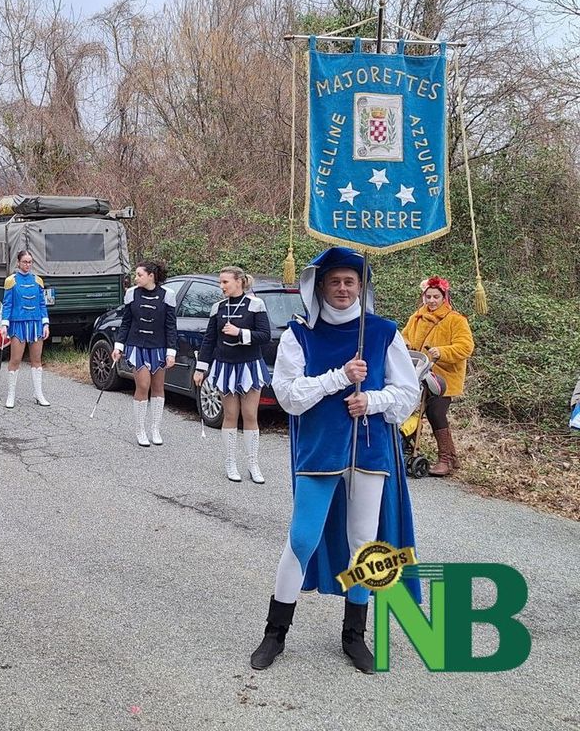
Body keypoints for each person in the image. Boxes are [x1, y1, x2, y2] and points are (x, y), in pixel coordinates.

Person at [249, 247, 420, 674]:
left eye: (350, 281)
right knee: (301, 539)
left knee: (362, 542)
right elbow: (288, 396)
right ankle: (275, 633)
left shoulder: (382, 332)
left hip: (369, 449)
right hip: (320, 449)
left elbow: (407, 392)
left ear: (361, 286)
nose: (343, 289)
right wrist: (340, 378)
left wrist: (372, 400)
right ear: (320, 286)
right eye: (335, 282)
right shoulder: (300, 334)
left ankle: (354, 635)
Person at [193, 266, 271, 482]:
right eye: (220, 282)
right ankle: (230, 463)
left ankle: (253, 464)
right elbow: (209, 340)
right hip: (225, 366)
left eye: (225, 282)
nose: (221, 286)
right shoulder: (217, 308)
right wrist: (201, 368)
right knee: (230, 415)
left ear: (239, 281)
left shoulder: (255, 304)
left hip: (249, 366)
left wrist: (240, 333)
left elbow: (265, 335)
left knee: (250, 415)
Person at [401, 276, 475, 476]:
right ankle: (405, 448)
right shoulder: (417, 317)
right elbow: (405, 335)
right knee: (408, 410)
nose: (432, 301)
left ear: (444, 298)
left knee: (435, 412)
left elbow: (466, 347)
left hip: (443, 378)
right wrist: (405, 344)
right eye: (428, 297)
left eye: (436, 297)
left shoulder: (455, 319)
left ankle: (446, 459)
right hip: (418, 373)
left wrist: (442, 352)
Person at [111, 261, 178, 447]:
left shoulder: (168, 295)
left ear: (151, 276)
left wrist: (171, 352)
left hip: (159, 347)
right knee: (142, 385)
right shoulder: (131, 293)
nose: (136, 278)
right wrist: (118, 346)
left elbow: (171, 326)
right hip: (137, 345)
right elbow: (126, 322)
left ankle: (155, 429)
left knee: (158, 387)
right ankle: (140, 429)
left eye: (139, 275)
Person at [2, 250, 50, 408]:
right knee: (15, 359)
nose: (27, 265)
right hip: (18, 323)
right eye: (25, 262)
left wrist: (45, 323)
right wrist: (4, 324)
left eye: (30, 262)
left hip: (36, 323)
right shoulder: (11, 281)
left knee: (36, 360)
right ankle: (11, 395)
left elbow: (42, 304)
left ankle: (38, 393)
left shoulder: (38, 281)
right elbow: (7, 304)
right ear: (18, 263)